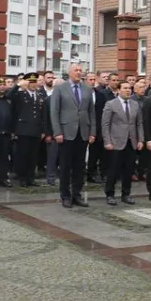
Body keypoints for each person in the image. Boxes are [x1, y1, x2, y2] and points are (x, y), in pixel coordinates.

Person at [49, 63, 96, 208]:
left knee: (79, 166)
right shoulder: (60, 89)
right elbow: (54, 111)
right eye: (76, 70)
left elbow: (91, 113)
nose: (79, 72)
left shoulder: (87, 89)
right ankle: (65, 195)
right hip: (66, 133)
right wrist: (57, 132)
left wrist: (92, 132)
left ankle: (77, 194)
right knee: (65, 166)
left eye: (80, 70)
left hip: (83, 133)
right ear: (69, 72)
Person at [102, 80, 144, 205]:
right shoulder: (111, 104)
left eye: (129, 88)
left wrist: (140, 139)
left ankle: (126, 194)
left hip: (131, 142)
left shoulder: (135, 104)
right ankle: (110, 194)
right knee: (114, 169)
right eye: (125, 88)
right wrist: (107, 141)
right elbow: (105, 124)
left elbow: (139, 123)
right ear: (119, 90)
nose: (128, 90)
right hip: (116, 142)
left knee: (129, 170)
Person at [11, 73, 47, 187]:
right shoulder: (20, 95)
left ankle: (31, 178)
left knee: (33, 156)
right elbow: (9, 95)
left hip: (36, 130)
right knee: (23, 155)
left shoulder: (40, 96)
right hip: (23, 130)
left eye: (35, 82)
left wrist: (43, 130)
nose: (33, 84)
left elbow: (43, 115)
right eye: (30, 82)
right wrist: (18, 85)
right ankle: (22, 178)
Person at [87, 72, 108, 184]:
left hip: (97, 128)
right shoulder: (82, 94)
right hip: (84, 127)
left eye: (93, 79)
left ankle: (94, 173)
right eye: (90, 79)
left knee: (96, 152)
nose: (92, 81)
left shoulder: (100, 95)